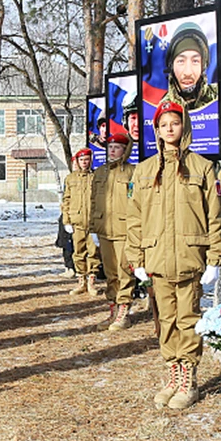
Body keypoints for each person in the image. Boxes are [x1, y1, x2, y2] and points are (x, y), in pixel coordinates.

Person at [126, 101, 221, 409]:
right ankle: (173, 373)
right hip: (157, 260)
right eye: (164, 124)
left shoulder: (203, 167)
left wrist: (215, 258)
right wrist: (137, 258)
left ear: (185, 127)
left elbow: (215, 216)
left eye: (175, 123)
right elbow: (134, 217)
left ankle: (189, 378)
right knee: (166, 321)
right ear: (156, 131)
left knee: (188, 319)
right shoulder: (144, 171)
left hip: (189, 258)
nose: (170, 128)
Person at [89, 132, 136, 331]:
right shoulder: (100, 173)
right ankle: (113, 309)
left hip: (124, 230)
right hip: (104, 230)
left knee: (124, 271)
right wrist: (93, 228)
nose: (112, 150)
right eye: (110, 147)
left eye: (117, 147)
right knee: (110, 273)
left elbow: (137, 202)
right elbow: (93, 201)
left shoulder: (132, 172)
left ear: (125, 151)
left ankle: (124, 311)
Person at [62, 148, 101, 297]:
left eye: (87, 160)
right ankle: (81, 282)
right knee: (78, 252)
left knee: (93, 252)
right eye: (81, 160)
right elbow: (66, 200)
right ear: (77, 162)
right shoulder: (71, 179)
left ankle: (91, 282)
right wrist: (67, 220)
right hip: (77, 222)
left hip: (92, 222)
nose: (84, 163)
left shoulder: (96, 177)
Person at [164, 23, 218, 111]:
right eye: (181, 61)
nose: (188, 72)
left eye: (195, 61)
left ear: (203, 66)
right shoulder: (161, 110)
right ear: (172, 66)